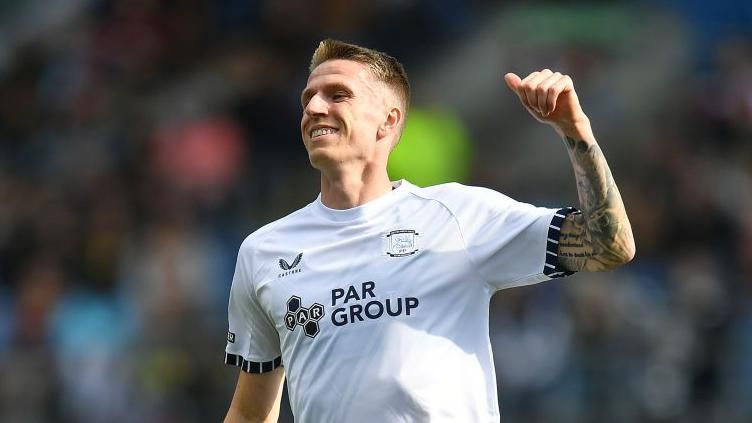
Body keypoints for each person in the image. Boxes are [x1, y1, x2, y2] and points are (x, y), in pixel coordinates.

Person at [223, 39, 635, 423]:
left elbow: (610, 246)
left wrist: (576, 131)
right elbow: (250, 414)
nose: (314, 107)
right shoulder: (263, 252)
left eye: (337, 95)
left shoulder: (458, 215)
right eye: (308, 98)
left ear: (388, 121)